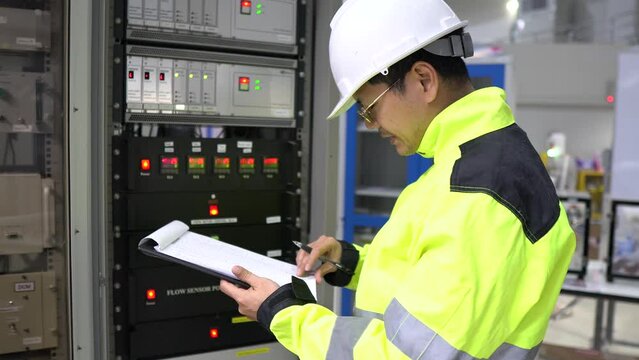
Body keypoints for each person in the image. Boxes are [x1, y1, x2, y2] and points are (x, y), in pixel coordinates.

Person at [220, 0, 576, 358]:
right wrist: (351, 263)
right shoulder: (476, 161)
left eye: (370, 109)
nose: (371, 126)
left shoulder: (480, 195)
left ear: (423, 80)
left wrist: (284, 315)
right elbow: (431, 274)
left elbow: (405, 354)